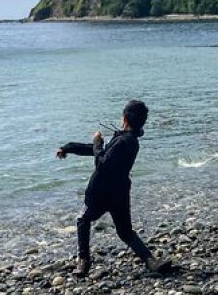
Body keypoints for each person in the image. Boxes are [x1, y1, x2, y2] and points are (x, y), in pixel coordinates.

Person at [56, 100, 171, 278]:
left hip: (101, 193)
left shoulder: (123, 141)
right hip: (120, 193)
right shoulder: (129, 140)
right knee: (125, 232)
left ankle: (83, 261)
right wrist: (68, 148)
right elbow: (97, 152)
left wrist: (97, 142)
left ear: (124, 118)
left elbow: (101, 161)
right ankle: (151, 261)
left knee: (83, 220)